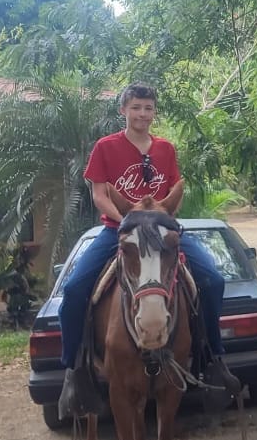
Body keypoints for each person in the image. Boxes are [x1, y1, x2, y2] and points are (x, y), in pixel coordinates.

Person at [58, 83, 240, 404]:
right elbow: (99, 194)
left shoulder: (166, 149)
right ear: (123, 110)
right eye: (136, 107)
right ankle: (74, 372)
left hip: (161, 231)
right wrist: (127, 221)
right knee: (73, 291)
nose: (142, 114)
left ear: (154, 112)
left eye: (148, 108)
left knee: (212, 279)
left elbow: (172, 195)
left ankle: (213, 358)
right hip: (119, 230)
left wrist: (158, 220)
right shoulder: (105, 147)